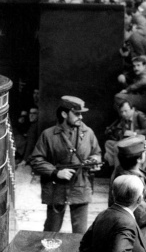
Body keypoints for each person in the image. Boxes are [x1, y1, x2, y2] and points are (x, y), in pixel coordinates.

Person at [30, 95, 101, 234]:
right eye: (77, 114)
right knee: (51, 230)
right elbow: (36, 160)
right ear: (64, 114)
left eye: (81, 114)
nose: (81, 117)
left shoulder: (88, 133)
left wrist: (93, 160)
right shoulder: (48, 135)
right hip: (56, 187)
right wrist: (56, 172)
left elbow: (96, 153)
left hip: (80, 185)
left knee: (80, 232)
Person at [79, 175, 146, 252]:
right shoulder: (126, 223)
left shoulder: (103, 214)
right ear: (139, 199)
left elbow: (84, 246)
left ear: (113, 194)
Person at [104, 100, 146, 168]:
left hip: (140, 143)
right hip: (128, 143)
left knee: (116, 147)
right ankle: (117, 166)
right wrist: (117, 132)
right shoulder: (123, 119)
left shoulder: (139, 115)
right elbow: (119, 131)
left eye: (126, 111)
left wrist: (135, 133)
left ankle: (119, 168)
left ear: (132, 109)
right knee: (109, 143)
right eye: (121, 112)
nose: (123, 114)